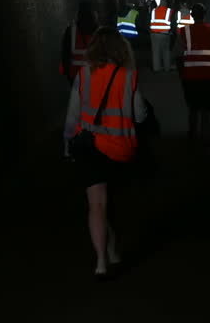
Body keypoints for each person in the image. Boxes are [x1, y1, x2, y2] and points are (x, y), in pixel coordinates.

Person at [63, 27, 149, 279]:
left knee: (96, 204)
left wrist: (68, 144)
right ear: (121, 50)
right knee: (113, 203)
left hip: (90, 148)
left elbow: (72, 115)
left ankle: (101, 260)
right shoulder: (128, 77)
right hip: (120, 149)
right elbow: (141, 114)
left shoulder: (84, 76)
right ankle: (113, 250)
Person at [173, 3, 210, 144]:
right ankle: (206, 137)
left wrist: (181, 73)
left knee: (192, 107)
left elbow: (177, 55)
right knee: (207, 108)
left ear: (191, 15)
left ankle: (192, 136)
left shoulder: (184, 32)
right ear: (205, 15)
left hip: (190, 77)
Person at [60, 0, 98, 87]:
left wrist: (67, 72)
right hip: (94, 73)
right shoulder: (97, 30)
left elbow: (65, 53)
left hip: (76, 74)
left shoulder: (71, 30)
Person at [149, 0, 175, 72]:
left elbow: (150, 20)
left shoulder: (154, 10)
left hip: (154, 34)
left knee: (155, 52)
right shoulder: (169, 11)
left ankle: (156, 68)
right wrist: (172, 31)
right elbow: (172, 21)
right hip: (165, 34)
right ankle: (167, 68)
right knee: (166, 51)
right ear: (166, 5)